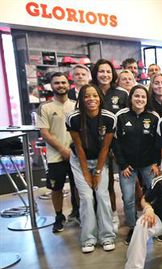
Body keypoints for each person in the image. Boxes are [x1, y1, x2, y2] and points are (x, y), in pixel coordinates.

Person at [66, 84, 116, 253]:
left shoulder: (109, 118)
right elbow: (78, 147)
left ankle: (107, 236)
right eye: (87, 96)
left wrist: (98, 172)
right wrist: (86, 172)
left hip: (101, 160)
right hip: (80, 161)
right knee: (87, 197)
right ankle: (88, 239)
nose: (91, 99)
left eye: (95, 96)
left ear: (100, 98)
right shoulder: (73, 118)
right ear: (81, 99)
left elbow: (105, 148)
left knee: (102, 195)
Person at [114, 85, 161, 244]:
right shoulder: (121, 116)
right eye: (136, 96)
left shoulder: (154, 117)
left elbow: (157, 142)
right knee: (128, 198)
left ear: (147, 99)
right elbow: (116, 143)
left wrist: (156, 162)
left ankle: (157, 225)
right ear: (131, 98)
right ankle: (133, 227)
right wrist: (122, 165)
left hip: (149, 164)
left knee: (154, 195)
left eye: (143, 97)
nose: (140, 99)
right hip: (128, 167)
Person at [37, 72, 79, 232]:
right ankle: (59, 216)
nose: (60, 85)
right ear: (51, 86)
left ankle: (77, 213)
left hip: (76, 155)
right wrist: (62, 149)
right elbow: (45, 132)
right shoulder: (45, 107)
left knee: (78, 187)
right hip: (56, 156)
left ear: (69, 85)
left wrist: (74, 150)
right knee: (56, 188)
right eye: (57, 83)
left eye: (63, 82)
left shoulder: (76, 105)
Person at [91, 59, 129, 232]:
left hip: (119, 143)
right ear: (95, 73)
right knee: (103, 184)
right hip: (97, 144)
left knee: (121, 181)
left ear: (112, 74)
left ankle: (114, 213)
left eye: (108, 71)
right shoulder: (90, 91)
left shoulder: (121, 93)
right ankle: (103, 214)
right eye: (101, 71)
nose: (104, 75)